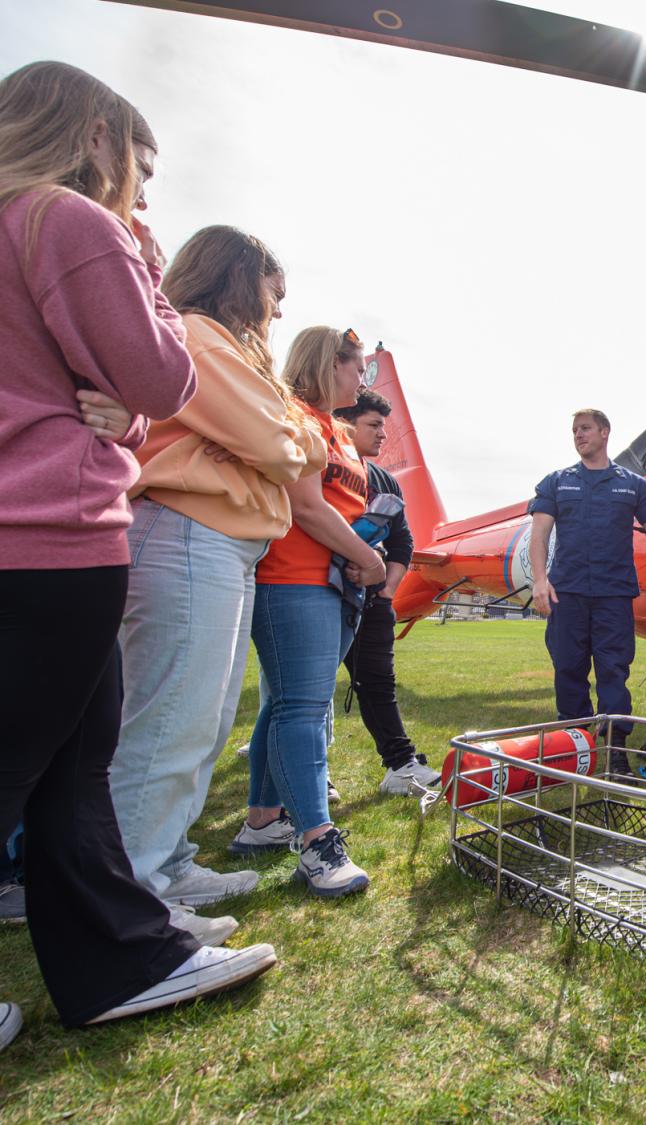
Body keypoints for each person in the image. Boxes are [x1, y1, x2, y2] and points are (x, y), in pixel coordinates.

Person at [0, 60, 275, 1040]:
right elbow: (161, 378)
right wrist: (143, 265)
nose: (142, 193)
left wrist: (113, 420)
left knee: (71, 765)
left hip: (23, 528)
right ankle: (122, 950)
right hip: (52, 532)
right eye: (140, 168)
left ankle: (120, 955)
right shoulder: (70, 223)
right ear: (97, 141)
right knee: (39, 762)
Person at [108, 226, 321, 925]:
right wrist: (278, 436)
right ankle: (132, 891)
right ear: (238, 278)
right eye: (271, 291)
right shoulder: (199, 335)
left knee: (199, 721)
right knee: (170, 720)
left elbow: (301, 440)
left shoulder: (226, 352)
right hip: (189, 532)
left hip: (220, 543)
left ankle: (164, 863)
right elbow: (282, 448)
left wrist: (280, 434)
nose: (277, 310)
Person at [230, 326, 384, 897]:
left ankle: (264, 820)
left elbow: (341, 505)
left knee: (286, 703)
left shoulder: (339, 432)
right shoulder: (295, 416)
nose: (361, 378)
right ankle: (317, 843)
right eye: (356, 367)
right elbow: (306, 507)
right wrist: (367, 556)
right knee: (302, 708)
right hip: (292, 579)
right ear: (329, 363)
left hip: (333, 583)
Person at [528, 409, 646, 775]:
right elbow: (540, 535)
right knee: (568, 669)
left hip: (613, 595)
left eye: (585, 429)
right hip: (568, 594)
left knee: (613, 670)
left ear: (605, 433)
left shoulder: (634, 485)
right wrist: (540, 580)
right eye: (574, 430)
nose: (578, 435)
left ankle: (615, 748)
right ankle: (574, 744)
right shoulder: (556, 483)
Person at [332, 388, 439, 796]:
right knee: (306, 692)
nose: (383, 435)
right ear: (346, 424)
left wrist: (385, 589)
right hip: (319, 593)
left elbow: (403, 541)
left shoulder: (384, 480)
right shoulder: (328, 468)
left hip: (371, 602)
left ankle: (399, 763)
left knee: (377, 682)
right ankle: (303, 771)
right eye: (374, 426)